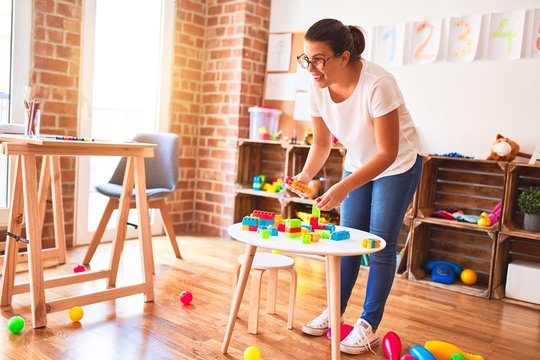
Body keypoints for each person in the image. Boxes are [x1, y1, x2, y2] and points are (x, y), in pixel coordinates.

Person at [291, 19, 424, 355]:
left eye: (319, 59)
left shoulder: (378, 84)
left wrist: (344, 187)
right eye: (306, 59)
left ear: (344, 57)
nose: (311, 68)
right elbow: (321, 144)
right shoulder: (316, 89)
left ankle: (368, 324)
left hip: (397, 164)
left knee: (379, 243)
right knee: (347, 240)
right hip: (358, 163)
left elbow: (387, 152)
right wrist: (304, 177)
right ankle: (334, 312)